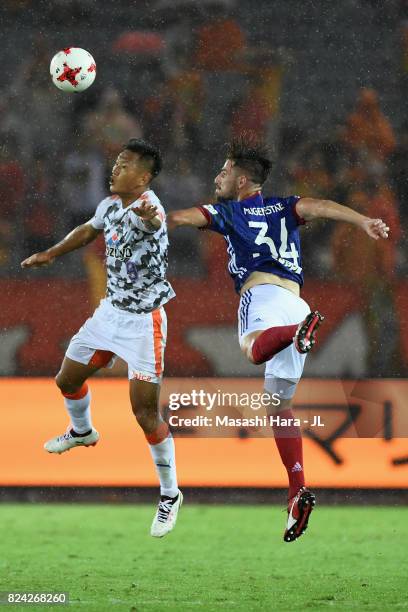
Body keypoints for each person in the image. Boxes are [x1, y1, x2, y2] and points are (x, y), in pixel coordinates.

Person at [166, 135, 389, 542]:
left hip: (266, 302)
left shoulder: (229, 213)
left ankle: (293, 335)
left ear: (243, 179)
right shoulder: (286, 206)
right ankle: (296, 491)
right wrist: (363, 221)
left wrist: (147, 221)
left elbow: (180, 219)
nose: (218, 176)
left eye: (224, 171)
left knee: (250, 349)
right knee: (277, 406)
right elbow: (320, 207)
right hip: (297, 302)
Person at [21, 138, 182, 538]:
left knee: (144, 415)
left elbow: (154, 223)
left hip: (145, 322)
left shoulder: (151, 207)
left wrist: (149, 215)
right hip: (110, 314)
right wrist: (52, 253)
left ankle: (169, 493)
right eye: (116, 162)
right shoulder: (109, 205)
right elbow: (88, 231)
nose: (115, 169)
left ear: (143, 177)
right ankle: (82, 432)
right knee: (66, 380)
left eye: (125, 165)